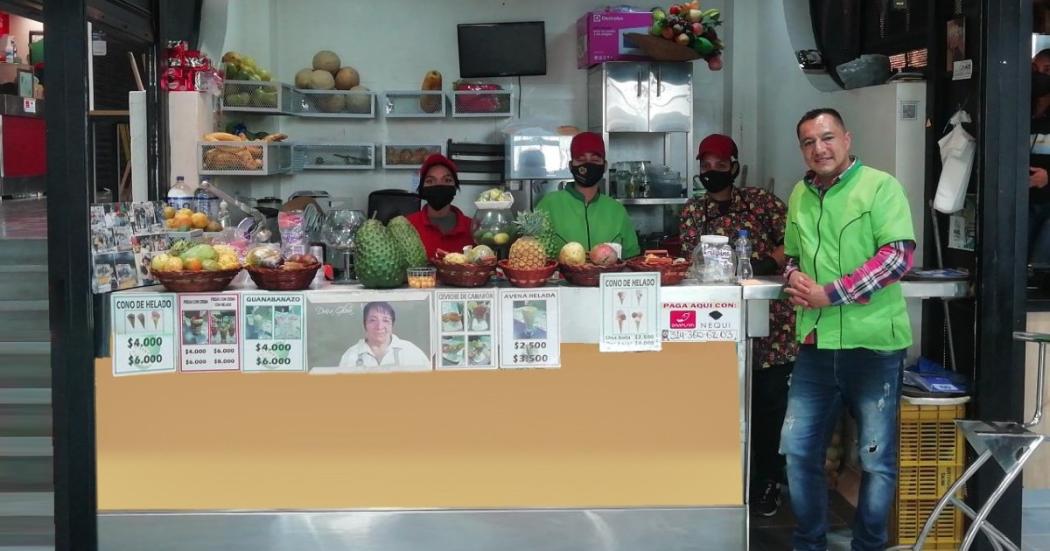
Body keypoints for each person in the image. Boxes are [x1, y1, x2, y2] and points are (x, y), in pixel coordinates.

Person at [780, 108, 915, 551]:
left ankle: (869, 545)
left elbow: (896, 257)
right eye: (808, 142)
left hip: (873, 345)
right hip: (816, 343)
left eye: (827, 137)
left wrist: (831, 293)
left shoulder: (881, 186)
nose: (819, 148)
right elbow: (795, 255)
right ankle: (809, 543)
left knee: (875, 460)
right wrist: (794, 279)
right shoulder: (800, 193)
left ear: (847, 139)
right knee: (800, 453)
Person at [678, 133, 797, 517]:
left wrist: (767, 263)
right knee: (717, 406)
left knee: (768, 407)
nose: (712, 171)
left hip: (770, 329)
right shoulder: (693, 212)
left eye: (720, 164)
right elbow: (688, 263)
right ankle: (721, 482)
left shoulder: (761, 202)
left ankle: (766, 483)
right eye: (705, 165)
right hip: (715, 325)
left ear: (734, 167)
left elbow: (793, 239)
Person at [535, 132, 640, 258]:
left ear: (604, 166)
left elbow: (632, 259)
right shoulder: (548, 205)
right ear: (570, 166)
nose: (588, 165)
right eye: (581, 159)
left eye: (595, 160)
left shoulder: (617, 211)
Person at [406, 153, 474, 259]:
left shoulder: (473, 227)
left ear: (455, 187)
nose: (438, 185)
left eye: (447, 180)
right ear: (422, 188)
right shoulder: (407, 225)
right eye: (430, 181)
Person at [338, 301, 431, 371]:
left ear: (392, 324)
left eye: (385, 320)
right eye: (372, 320)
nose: (379, 326)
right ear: (364, 324)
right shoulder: (350, 356)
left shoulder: (411, 352)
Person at [1029, 50, 1050, 266]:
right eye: (1035, 70)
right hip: (1023, 203)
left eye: (1047, 71)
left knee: (1040, 265)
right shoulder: (1018, 109)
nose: (1040, 76)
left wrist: (1048, 177)